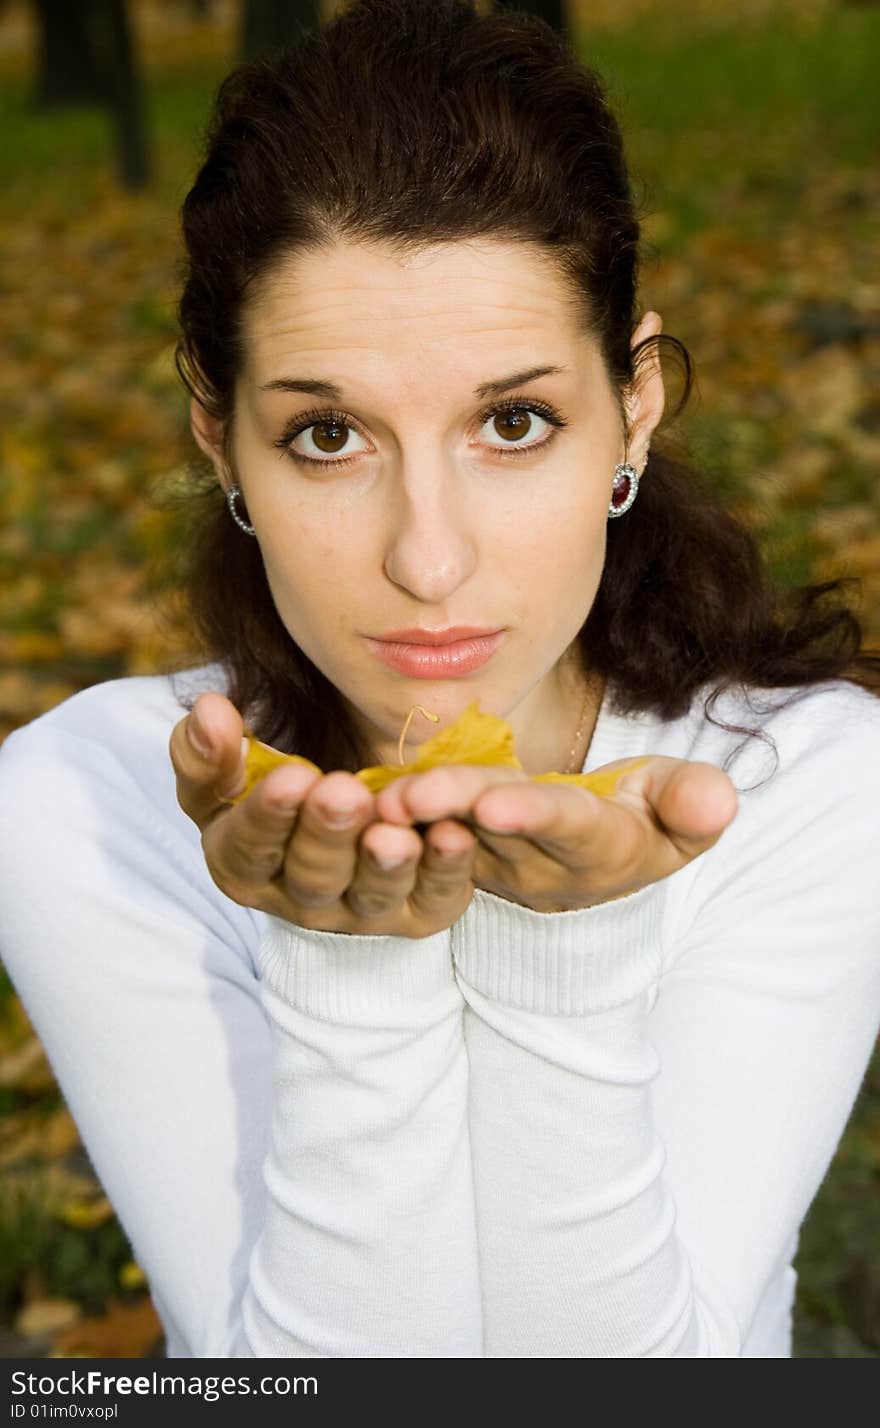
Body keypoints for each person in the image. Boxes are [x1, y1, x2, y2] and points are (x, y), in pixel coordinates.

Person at [1, 0, 879, 1359]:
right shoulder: (88, 803)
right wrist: (346, 967)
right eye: (330, 434)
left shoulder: (802, 782)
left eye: (513, 423)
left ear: (633, 404)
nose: (427, 558)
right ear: (217, 435)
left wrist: (568, 952)